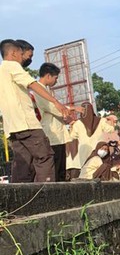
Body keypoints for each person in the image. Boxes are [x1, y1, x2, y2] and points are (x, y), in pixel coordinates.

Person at [0, 39, 70, 182]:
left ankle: (21, 197)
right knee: (45, 156)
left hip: (12, 127)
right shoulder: (13, 66)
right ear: (13, 53)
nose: (23, 58)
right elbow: (32, 84)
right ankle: (45, 195)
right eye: (22, 54)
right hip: (26, 123)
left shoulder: (1, 71)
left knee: (23, 163)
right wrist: (56, 102)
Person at [32, 62, 83, 182]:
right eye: (55, 78)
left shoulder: (45, 90)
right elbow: (54, 108)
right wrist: (73, 108)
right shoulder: (40, 91)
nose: (56, 81)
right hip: (51, 134)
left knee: (60, 168)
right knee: (56, 168)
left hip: (57, 134)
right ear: (48, 76)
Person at [67, 102, 116, 168]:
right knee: (99, 169)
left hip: (84, 150)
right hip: (98, 149)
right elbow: (111, 130)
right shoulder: (101, 120)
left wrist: (71, 127)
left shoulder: (78, 123)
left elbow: (72, 136)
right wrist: (112, 121)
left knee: (86, 170)